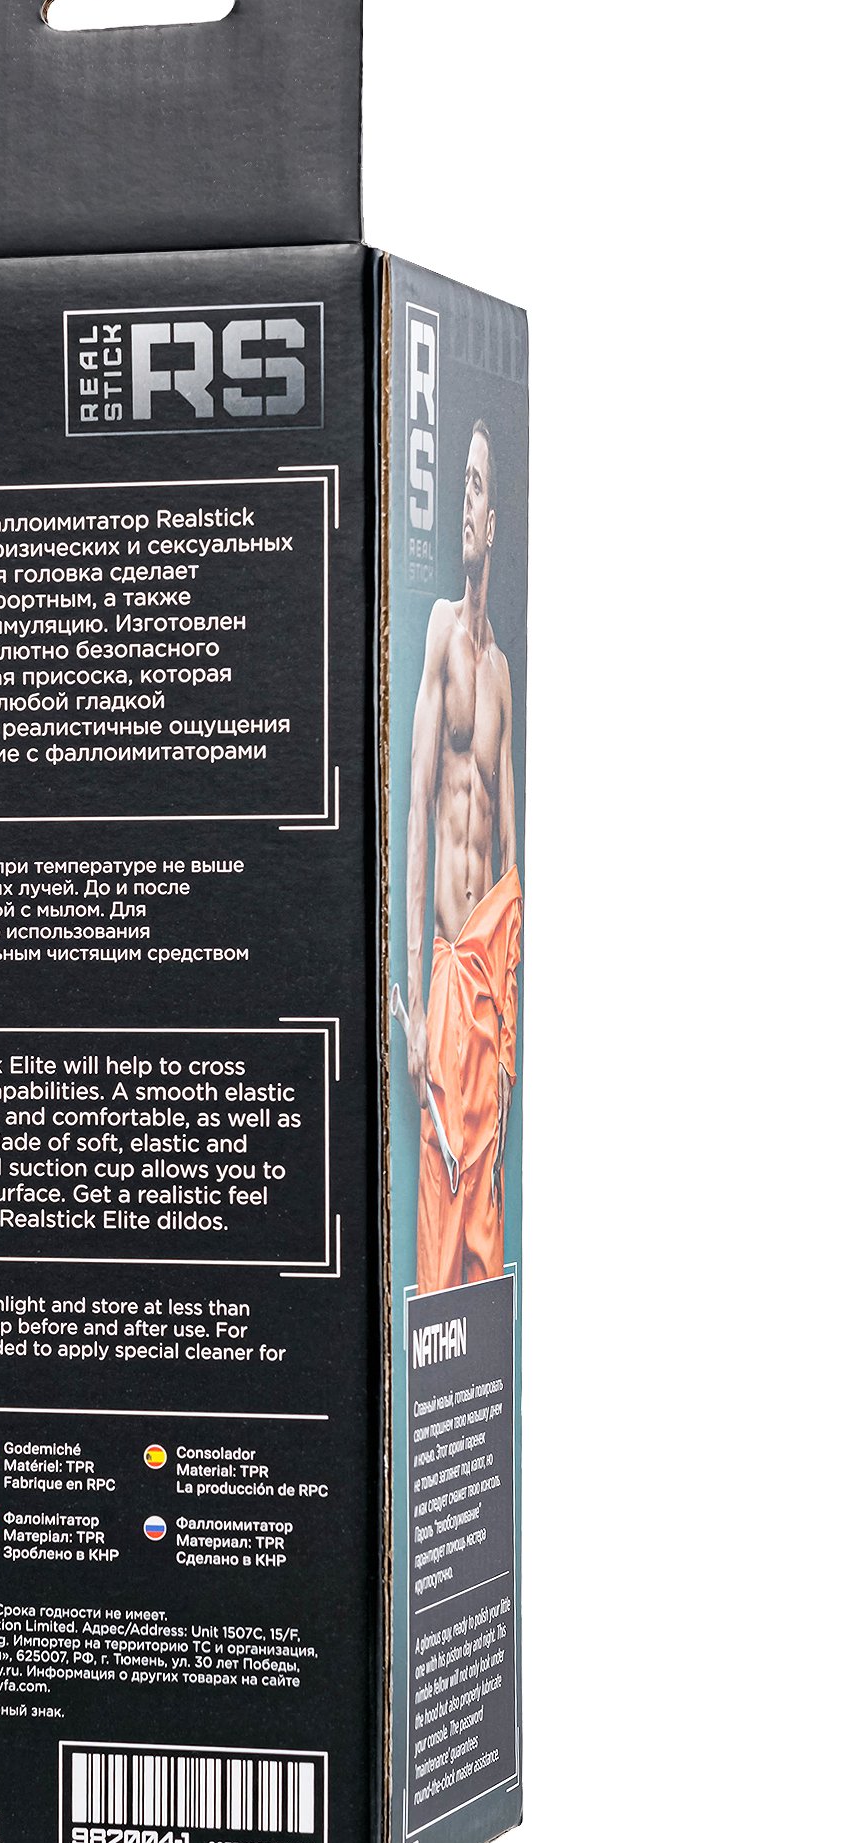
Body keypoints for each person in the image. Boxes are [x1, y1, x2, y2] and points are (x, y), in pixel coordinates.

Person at [404, 419, 522, 1295]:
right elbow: (416, 814)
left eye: (475, 490)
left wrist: (513, 1031)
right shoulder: (441, 631)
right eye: (460, 490)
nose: (462, 509)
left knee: (486, 1220)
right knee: (442, 1215)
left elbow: (514, 868)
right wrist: (409, 1003)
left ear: (496, 523)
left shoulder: (505, 675)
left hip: (489, 999)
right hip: (446, 984)